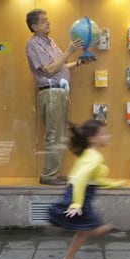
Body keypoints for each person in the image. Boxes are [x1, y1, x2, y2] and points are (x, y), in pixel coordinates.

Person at [26, 9, 92, 186]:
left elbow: (60, 66)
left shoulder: (50, 42)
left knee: (60, 135)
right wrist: (69, 51)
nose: (48, 23)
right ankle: (49, 175)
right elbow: (49, 69)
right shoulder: (33, 45)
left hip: (59, 92)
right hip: (51, 92)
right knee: (54, 134)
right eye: (43, 21)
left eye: (48, 20)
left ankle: (54, 173)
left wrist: (77, 63)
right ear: (34, 26)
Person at [49, 120, 124, 259]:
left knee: (83, 231)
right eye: (104, 133)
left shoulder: (90, 154)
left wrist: (114, 184)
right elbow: (81, 179)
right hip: (80, 195)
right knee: (101, 228)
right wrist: (77, 203)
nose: (108, 136)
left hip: (80, 193)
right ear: (93, 139)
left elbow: (93, 179)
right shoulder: (94, 157)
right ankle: (60, 232)